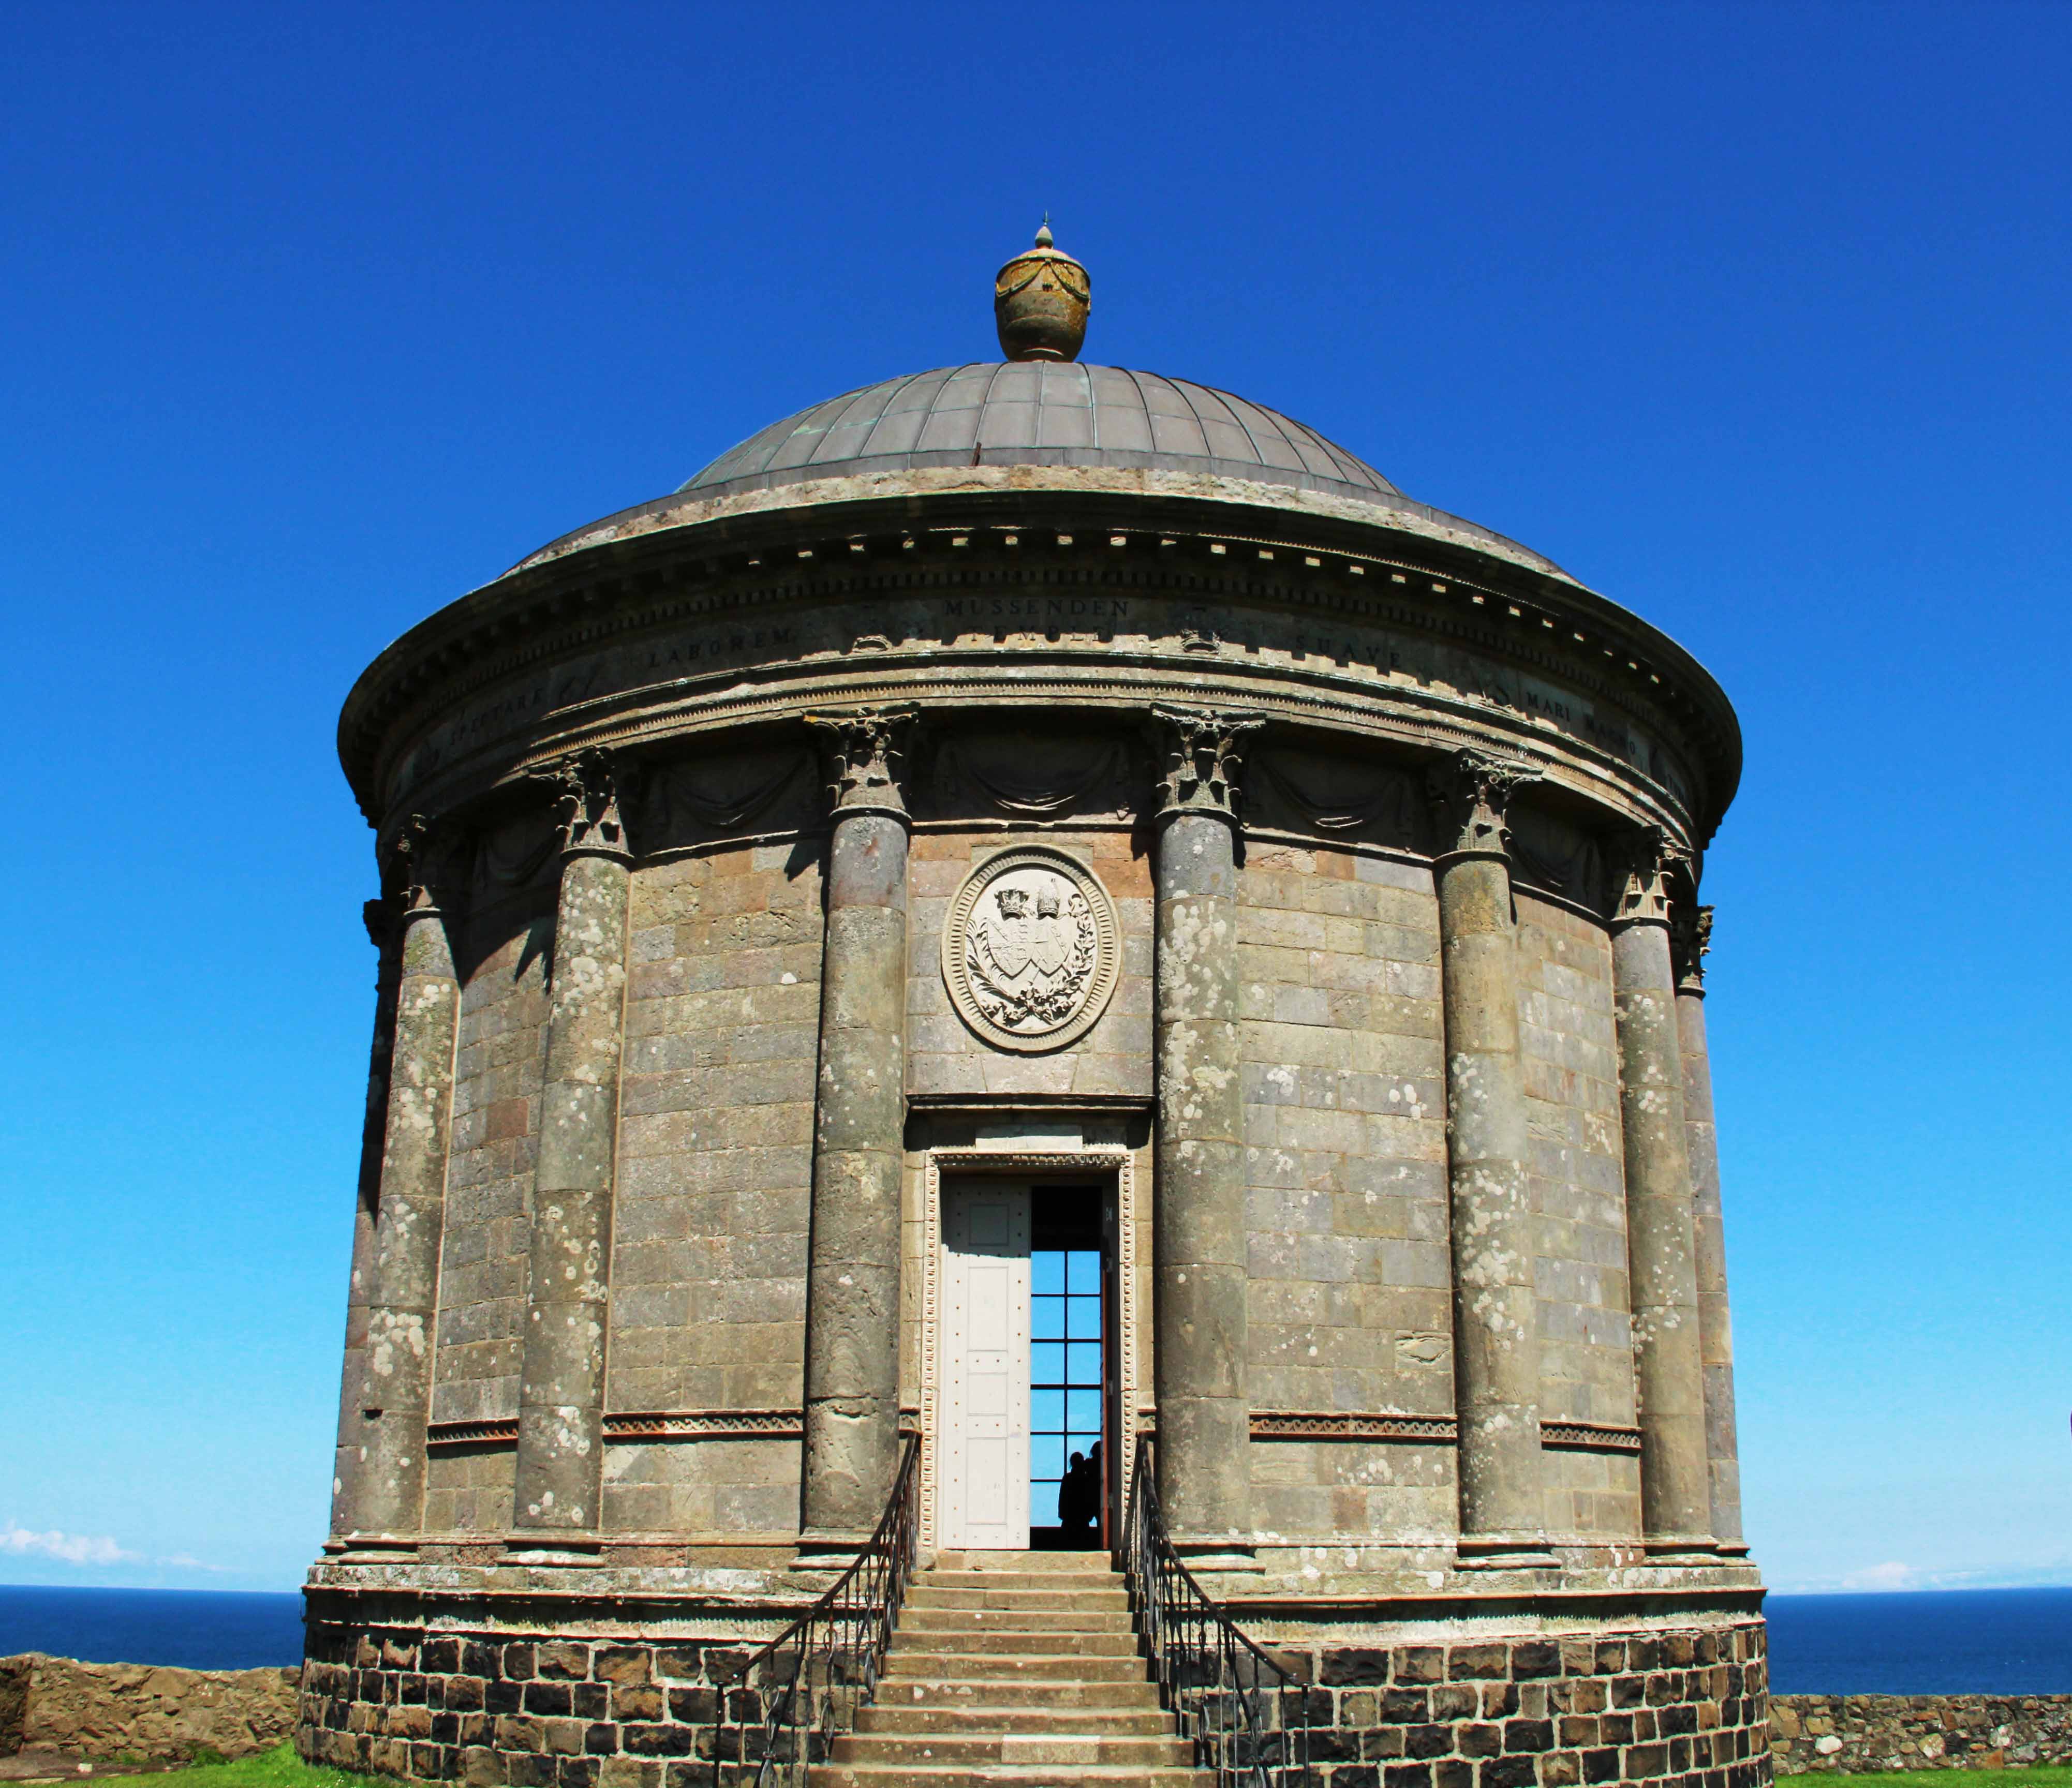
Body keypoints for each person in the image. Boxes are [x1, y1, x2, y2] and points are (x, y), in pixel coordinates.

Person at [1057, 1448, 1097, 1533]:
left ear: (1072, 1463)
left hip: (1068, 1521)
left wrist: (1064, 1514)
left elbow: (1062, 1500)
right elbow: (1091, 1499)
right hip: (1083, 1521)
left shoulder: (1067, 1478)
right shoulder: (1087, 1479)